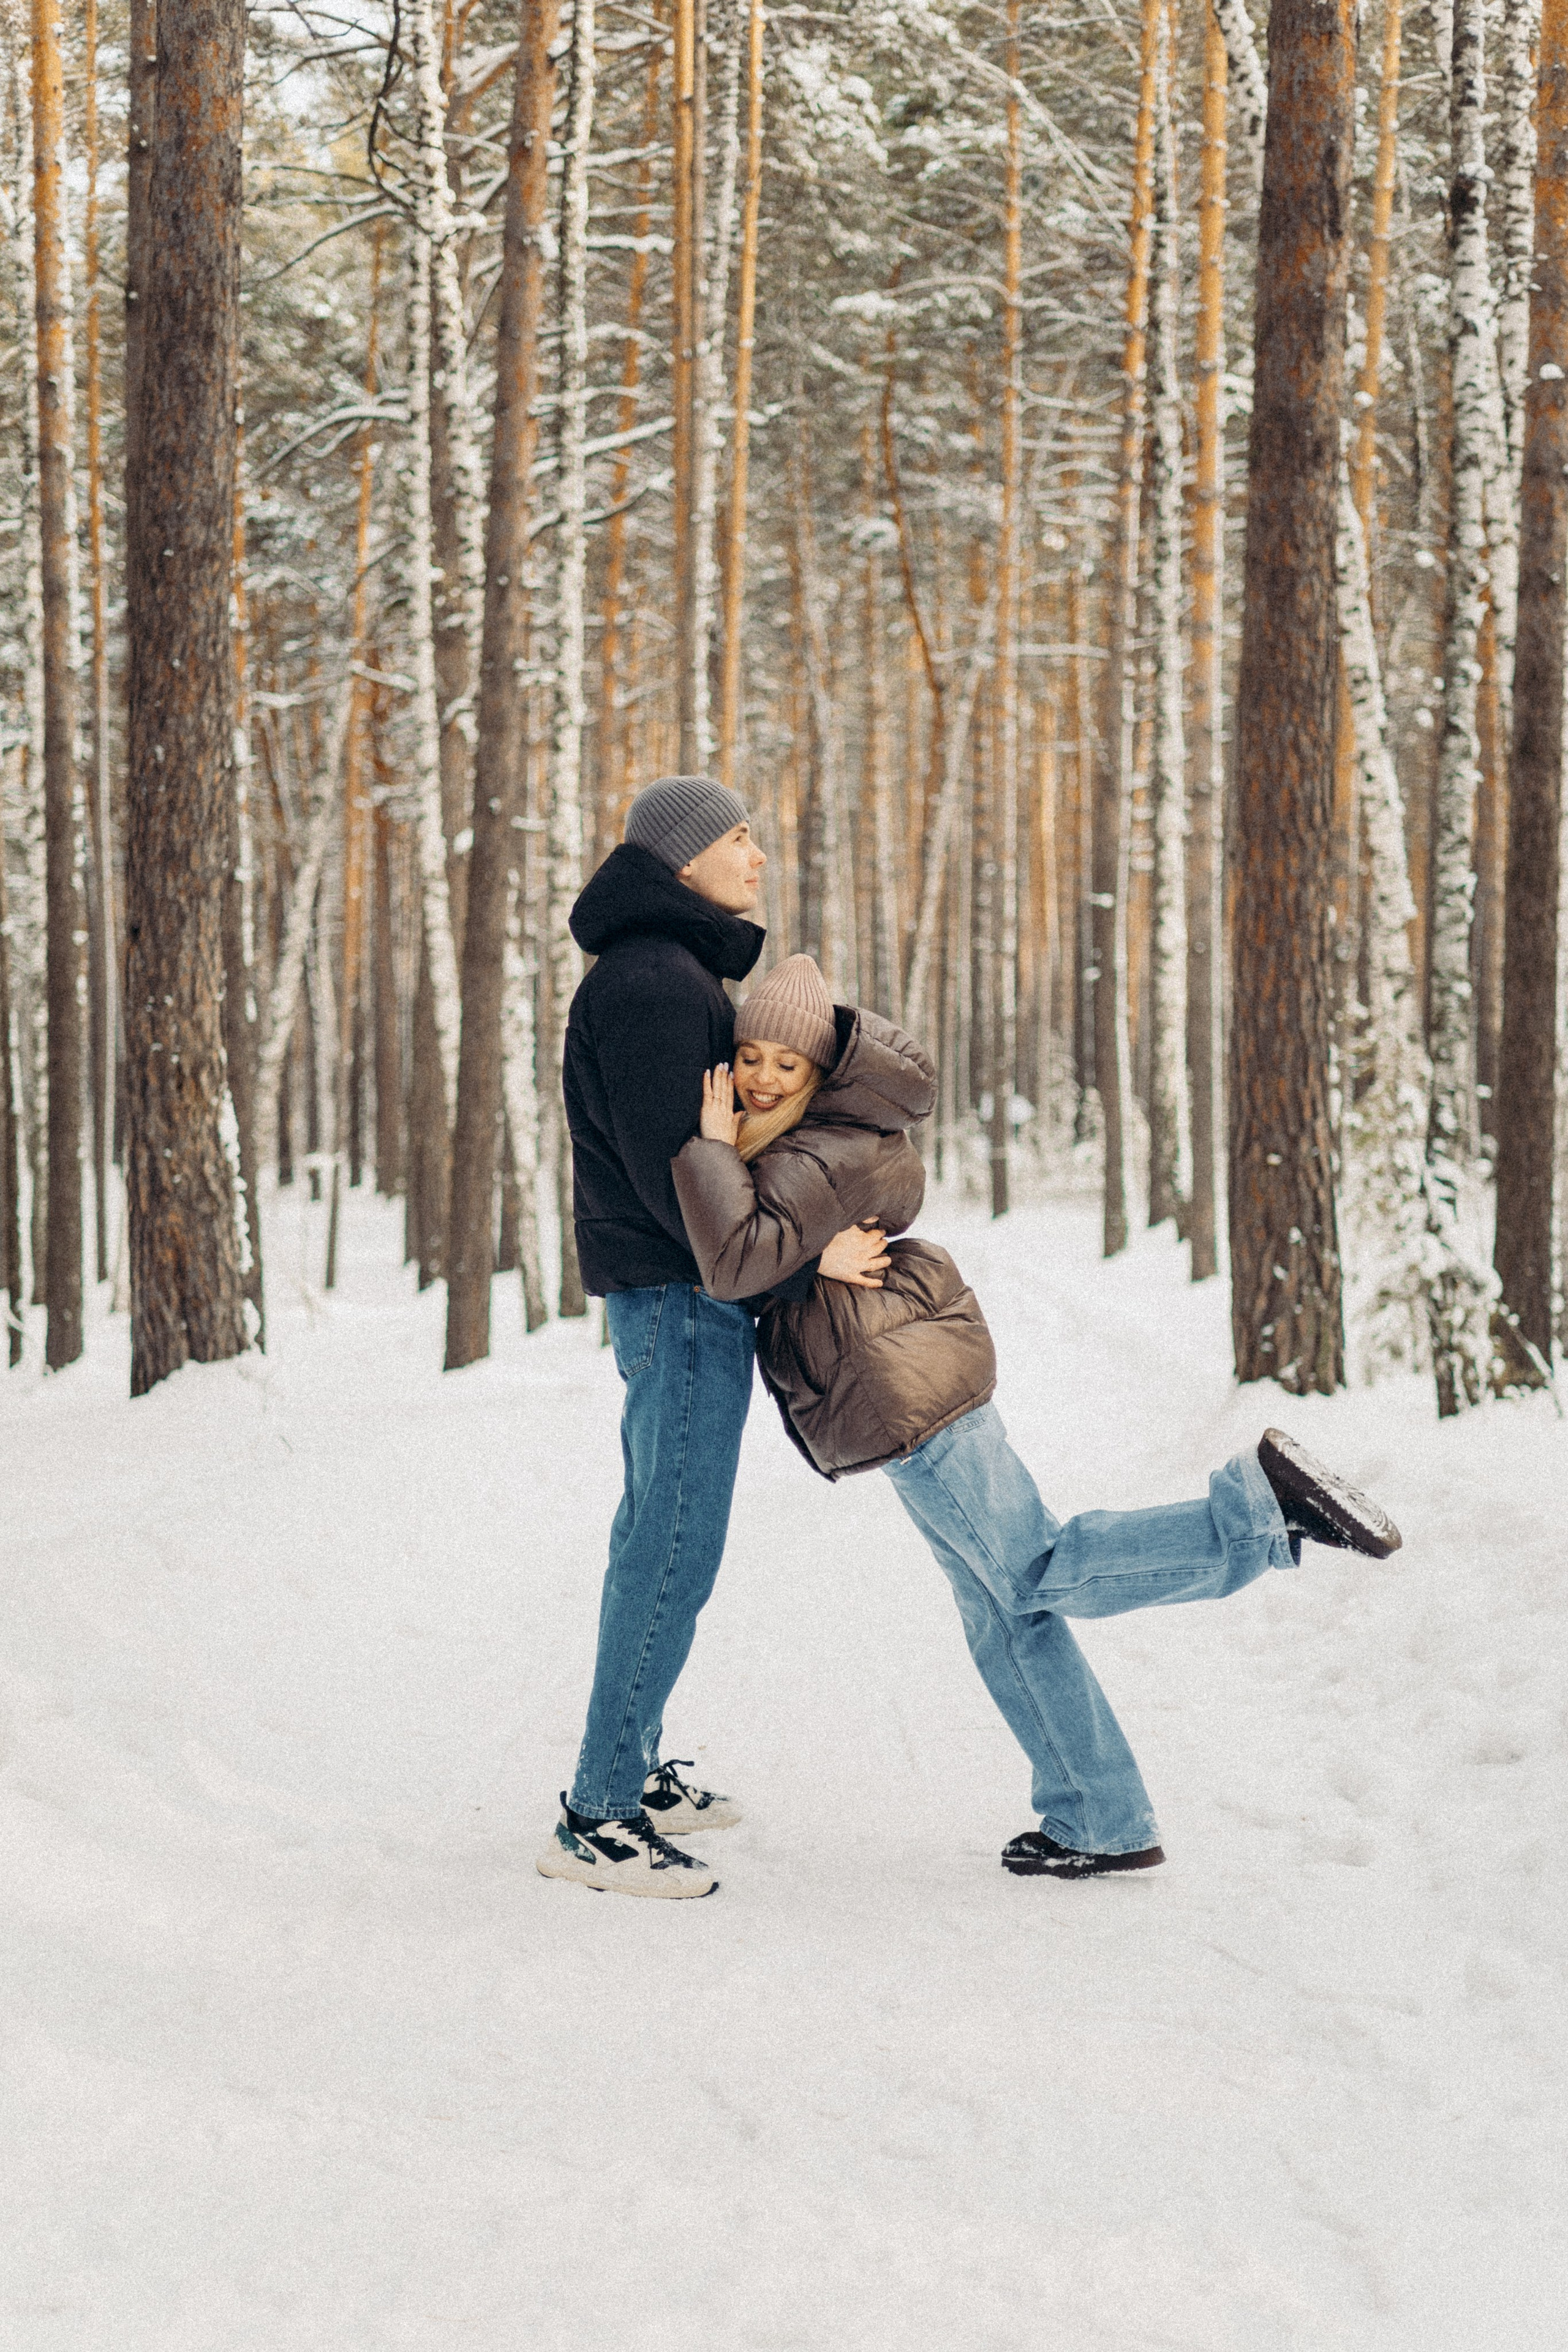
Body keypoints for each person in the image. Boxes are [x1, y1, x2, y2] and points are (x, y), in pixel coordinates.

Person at [671, 954, 1404, 1881]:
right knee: (999, 1614)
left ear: (821, 1072)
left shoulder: (818, 1147)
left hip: (903, 1392)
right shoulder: (814, 1136)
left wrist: (708, 1151)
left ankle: (1259, 1510)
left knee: (1034, 1572)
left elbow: (733, 1264)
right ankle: (1100, 1815)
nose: (764, 1076)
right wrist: (807, 1255)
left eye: (789, 1062)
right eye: (753, 1055)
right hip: (906, 1382)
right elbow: (775, 1251)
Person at [537, 786, 886, 1900]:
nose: (758, 856)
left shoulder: (672, 974)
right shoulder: (652, 984)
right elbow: (675, 1179)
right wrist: (803, 1255)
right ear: (683, 860)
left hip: (686, 1292)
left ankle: (628, 1769)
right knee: (674, 1544)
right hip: (683, 1295)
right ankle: (596, 1816)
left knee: (660, 1532)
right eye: (739, 839)